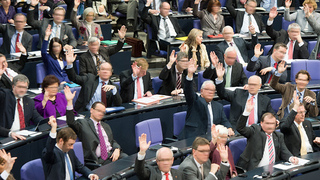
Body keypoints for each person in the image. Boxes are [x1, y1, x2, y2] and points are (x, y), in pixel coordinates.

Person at [236, 97, 299, 171]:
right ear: (261, 123)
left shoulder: (278, 136)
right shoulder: (255, 131)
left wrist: (291, 158)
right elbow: (240, 128)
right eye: (267, 123)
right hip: (253, 170)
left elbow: (284, 151)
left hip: (271, 170)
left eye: (272, 123)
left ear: (276, 124)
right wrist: (247, 111)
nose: (270, 126)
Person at [178, 58, 234, 140]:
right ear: (201, 91)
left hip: (212, 138)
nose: (211, 92)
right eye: (208, 90)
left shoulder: (218, 106)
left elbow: (224, 120)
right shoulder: (195, 101)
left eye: (212, 90)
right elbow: (188, 91)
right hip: (194, 138)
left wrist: (229, 128)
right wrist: (190, 74)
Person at [67, 100, 128, 166]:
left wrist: (117, 149)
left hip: (111, 154)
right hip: (98, 160)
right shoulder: (83, 123)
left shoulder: (106, 126)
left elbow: (112, 141)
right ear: (91, 110)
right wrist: (70, 102)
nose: (101, 113)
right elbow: (71, 122)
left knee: (127, 160)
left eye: (103, 112)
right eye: (99, 111)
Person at [215, 65, 275, 130]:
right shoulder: (238, 94)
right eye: (250, 84)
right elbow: (222, 93)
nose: (252, 87)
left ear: (259, 86)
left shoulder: (265, 100)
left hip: (257, 131)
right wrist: (220, 78)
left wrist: (276, 121)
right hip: (238, 130)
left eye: (254, 85)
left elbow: (272, 114)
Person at [280, 91, 320, 156]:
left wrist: (317, 141)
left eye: (304, 112)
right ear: (293, 112)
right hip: (297, 157)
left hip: (312, 154)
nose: (303, 114)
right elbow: (285, 127)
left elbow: (313, 140)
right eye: (300, 112)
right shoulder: (287, 123)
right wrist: (295, 106)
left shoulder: (307, 123)